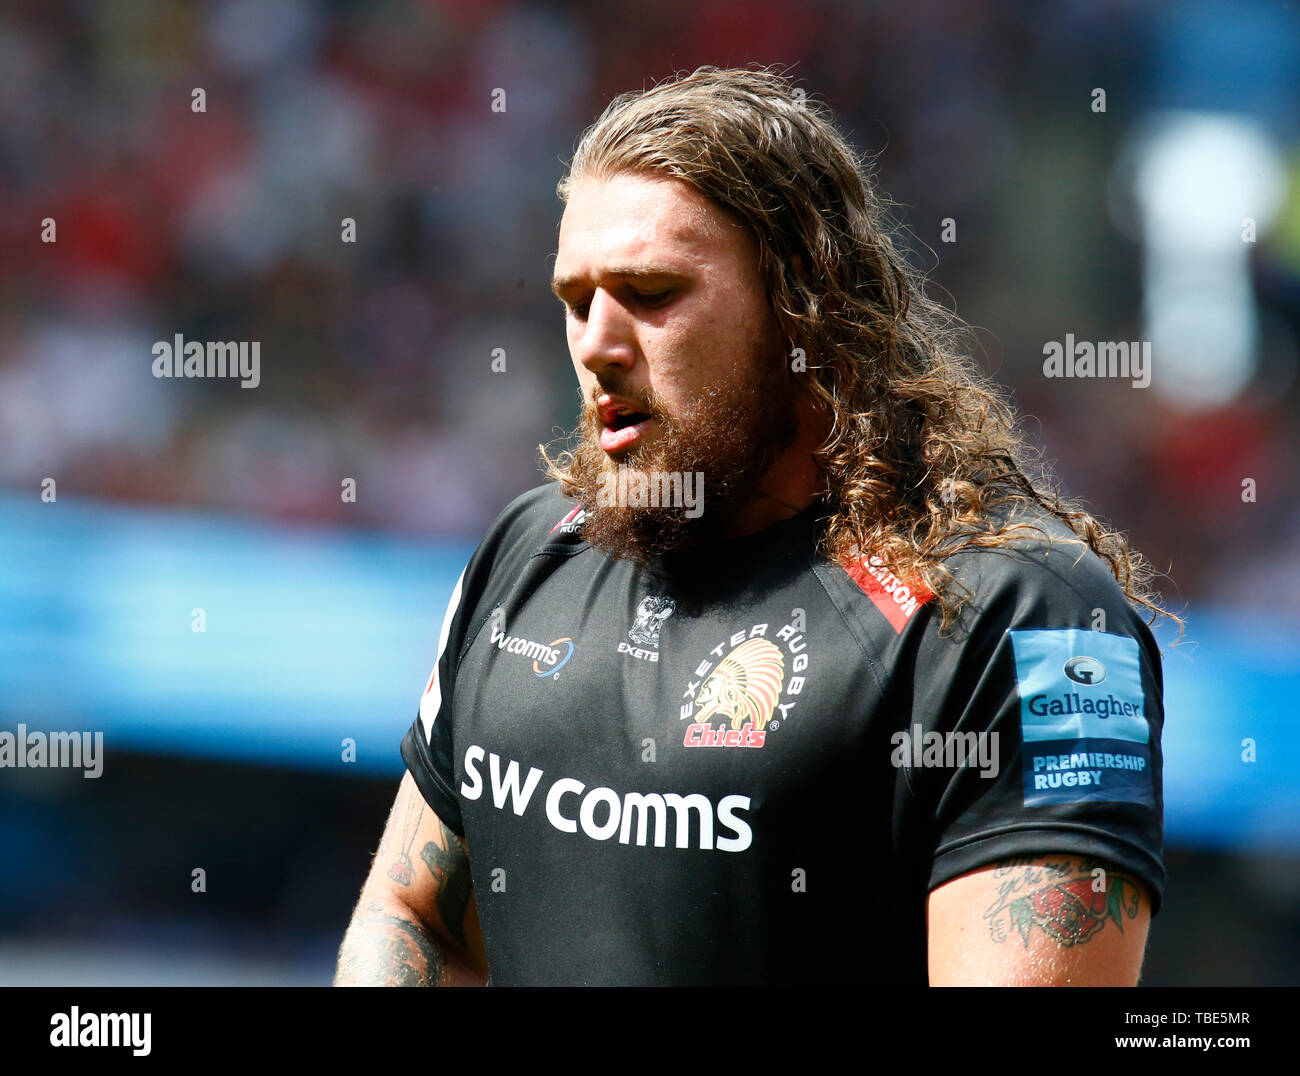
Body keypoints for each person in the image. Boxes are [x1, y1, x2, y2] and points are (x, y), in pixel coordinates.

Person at [334, 66, 1178, 987]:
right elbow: (414, 917)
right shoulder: (529, 553)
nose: (596, 344)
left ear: (802, 302)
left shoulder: (1020, 617)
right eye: (576, 303)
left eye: (651, 293)